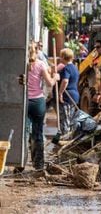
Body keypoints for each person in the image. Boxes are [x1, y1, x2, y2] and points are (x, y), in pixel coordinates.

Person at [27, 42, 59, 170]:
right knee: (38, 132)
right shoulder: (40, 64)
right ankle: (38, 163)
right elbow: (50, 83)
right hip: (38, 102)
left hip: (24, 102)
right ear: (37, 50)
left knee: (24, 132)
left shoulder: (21, 63)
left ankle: (20, 162)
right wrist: (55, 77)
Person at [57, 48, 80, 135]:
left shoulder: (66, 68)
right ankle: (68, 137)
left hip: (67, 96)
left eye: (60, 56)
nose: (59, 58)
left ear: (63, 57)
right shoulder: (75, 68)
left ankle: (64, 138)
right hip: (75, 96)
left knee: (65, 120)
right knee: (70, 119)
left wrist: (60, 93)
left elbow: (65, 81)